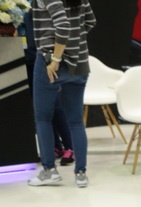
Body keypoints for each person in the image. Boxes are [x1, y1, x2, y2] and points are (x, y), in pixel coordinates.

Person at [29, 0, 96, 188]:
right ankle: (81, 174)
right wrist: (74, 43)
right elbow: (90, 21)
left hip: (51, 61)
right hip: (79, 62)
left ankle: (49, 170)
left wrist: (57, 58)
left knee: (43, 118)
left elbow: (63, 25)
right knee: (76, 121)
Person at [22, 9, 75, 167]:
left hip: (42, 59)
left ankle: (70, 146)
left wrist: (51, 59)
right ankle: (55, 146)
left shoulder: (30, 8)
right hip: (22, 61)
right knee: (40, 109)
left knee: (54, 106)